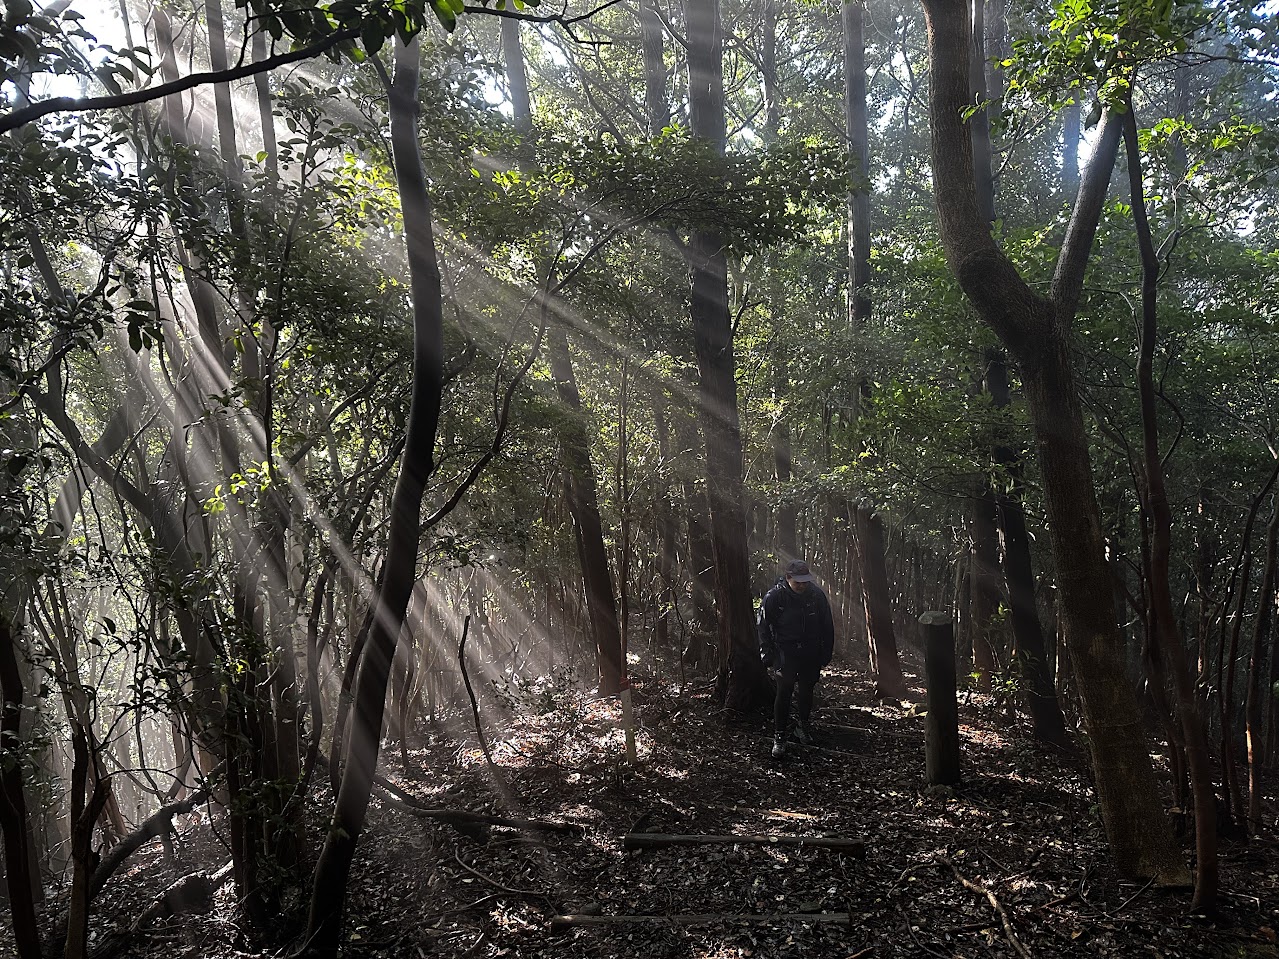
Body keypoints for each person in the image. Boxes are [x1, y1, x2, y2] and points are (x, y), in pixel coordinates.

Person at [757, 559, 835, 758]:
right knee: (784, 692)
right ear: (788, 577)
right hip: (785, 652)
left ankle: (803, 726)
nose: (802, 585)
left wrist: (826, 652)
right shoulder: (775, 596)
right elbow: (763, 627)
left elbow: (827, 625)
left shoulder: (816, 596)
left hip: (811, 651)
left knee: (807, 691)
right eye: (798, 581)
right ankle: (779, 736)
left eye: (805, 581)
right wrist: (767, 654)